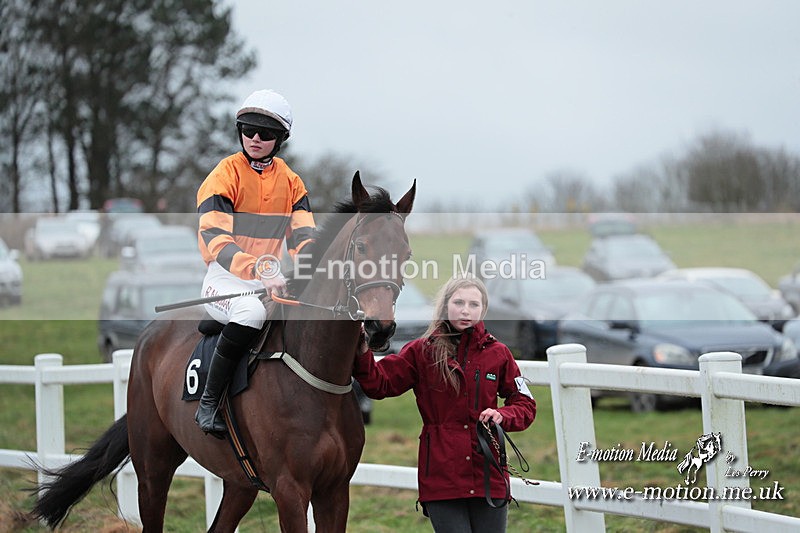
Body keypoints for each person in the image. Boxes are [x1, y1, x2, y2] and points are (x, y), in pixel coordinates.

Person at [353, 276, 536, 532]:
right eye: (458, 303)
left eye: (473, 304)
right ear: (445, 305)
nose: (465, 310)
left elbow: (525, 403)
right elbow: (380, 383)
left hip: (489, 475)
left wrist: (502, 415)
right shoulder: (421, 351)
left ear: (483, 309)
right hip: (442, 476)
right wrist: (362, 349)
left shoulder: (499, 354)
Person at [195, 89, 315, 436]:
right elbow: (216, 240)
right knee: (251, 313)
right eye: (248, 130)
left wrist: (313, 271)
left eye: (266, 133)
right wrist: (261, 269)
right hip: (224, 277)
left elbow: (303, 237)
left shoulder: (292, 182)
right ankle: (208, 403)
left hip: (269, 278)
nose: (256, 138)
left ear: (280, 140)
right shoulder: (224, 175)